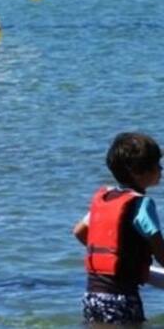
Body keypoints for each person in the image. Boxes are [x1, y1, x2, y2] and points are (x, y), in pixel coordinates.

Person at [73, 132, 164, 324]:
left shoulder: (107, 199)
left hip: (93, 296)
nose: (161, 169)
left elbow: (79, 232)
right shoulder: (142, 204)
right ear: (138, 172)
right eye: (156, 165)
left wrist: (113, 254)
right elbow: (159, 250)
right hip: (122, 297)